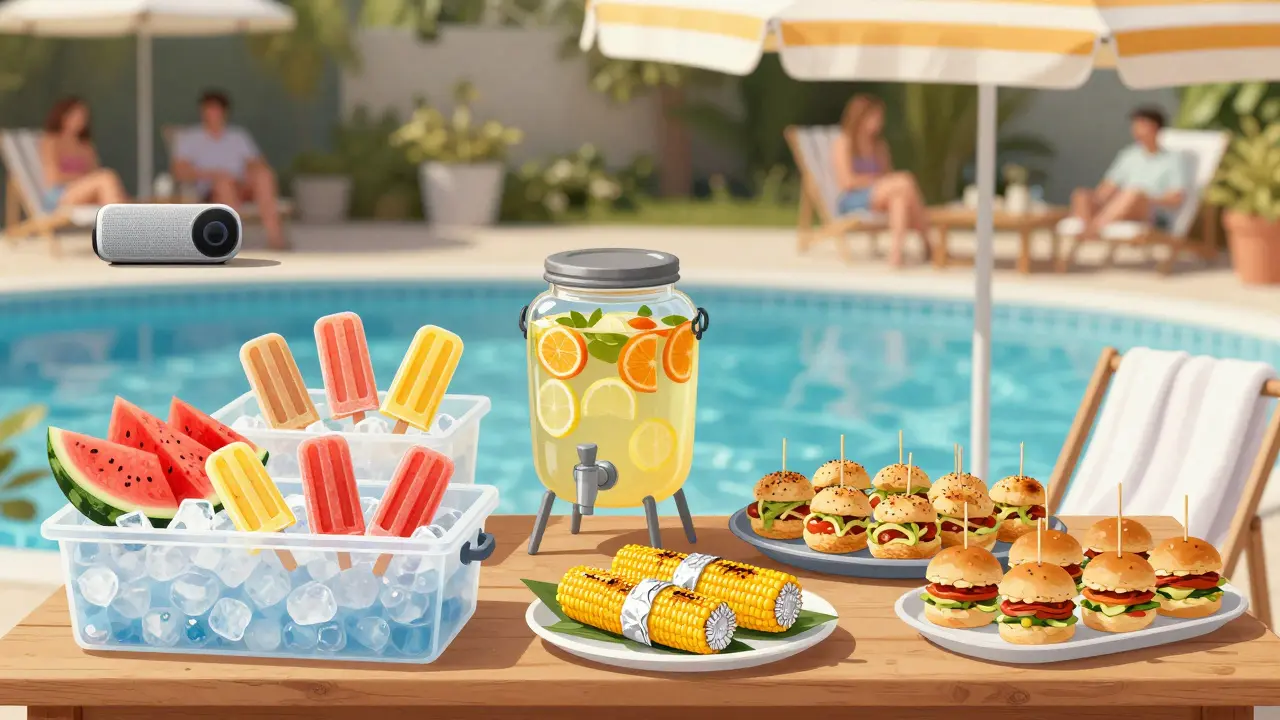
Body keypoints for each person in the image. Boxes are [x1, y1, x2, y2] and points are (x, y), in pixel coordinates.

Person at [171, 89, 287, 250]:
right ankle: (234, 241)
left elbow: (257, 162)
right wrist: (213, 175)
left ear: (225, 112)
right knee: (224, 183)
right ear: (202, 111)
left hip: (241, 185)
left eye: (216, 109)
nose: (213, 114)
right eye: (209, 109)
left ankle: (276, 238)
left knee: (264, 177)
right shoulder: (190, 138)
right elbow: (179, 171)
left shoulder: (238, 136)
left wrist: (253, 171)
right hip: (211, 188)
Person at [831, 94, 931, 267]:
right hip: (852, 199)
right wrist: (876, 182)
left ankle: (896, 255)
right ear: (860, 118)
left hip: (879, 195)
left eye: (880, 117)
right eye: (874, 117)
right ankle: (928, 243)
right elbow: (846, 182)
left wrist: (882, 184)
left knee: (899, 198)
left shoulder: (879, 146)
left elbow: (888, 177)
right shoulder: (844, 143)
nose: (879, 122)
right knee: (905, 181)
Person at [1070, 106, 1190, 238]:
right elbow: (1107, 188)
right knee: (1081, 194)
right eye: (1135, 125)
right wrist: (1098, 200)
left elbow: (1176, 198)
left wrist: (1144, 198)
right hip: (1119, 208)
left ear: (1155, 128)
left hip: (1150, 212)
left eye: (1141, 125)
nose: (1136, 130)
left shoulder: (1172, 160)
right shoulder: (1129, 155)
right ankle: (1091, 230)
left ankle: (1090, 232)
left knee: (1133, 193)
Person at [38, 97, 128, 211]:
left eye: (83, 117)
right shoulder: (51, 141)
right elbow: (54, 178)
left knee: (111, 185)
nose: (80, 120)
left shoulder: (86, 147)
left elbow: (95, 174)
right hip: (60, 196)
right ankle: (120, 224)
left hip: (84, 194)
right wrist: (84, 178)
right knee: (107, 178)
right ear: (63, 115)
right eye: (75, 115)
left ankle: (120, 223)